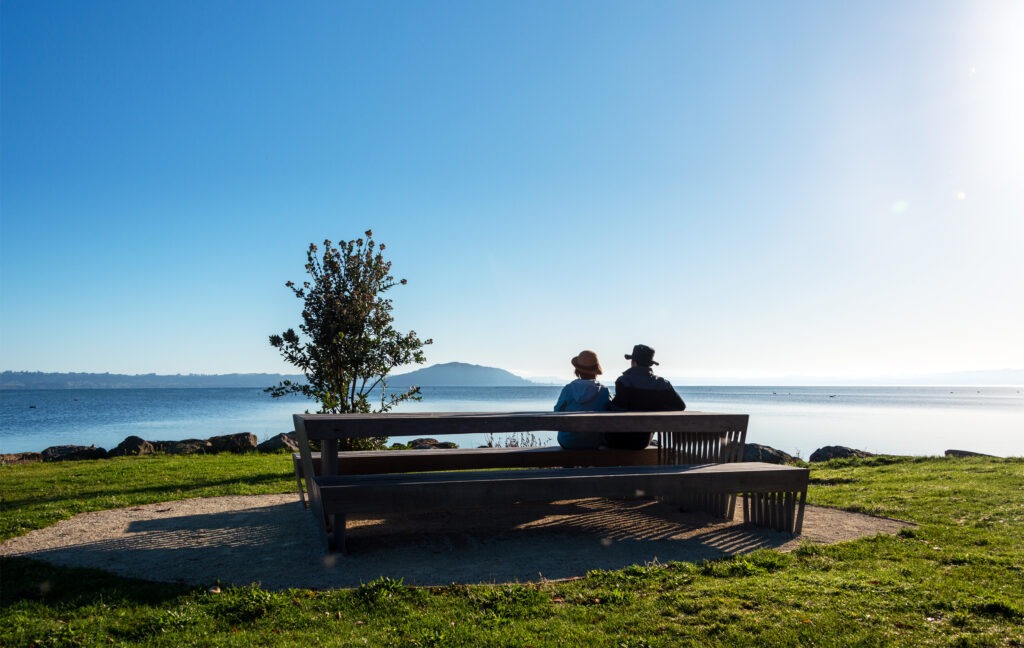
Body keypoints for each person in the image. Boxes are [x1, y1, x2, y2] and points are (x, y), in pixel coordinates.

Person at [606, 344, 685, 449]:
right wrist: (658, 409)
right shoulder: (662, 384)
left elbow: (617, 408)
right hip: (643, 441)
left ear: (633, 361)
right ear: (650, 364)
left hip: (618, 440)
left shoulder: (624, 381)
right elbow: (680, 406)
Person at [553, 350, 611, 449]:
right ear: (595, 371)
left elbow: (557, 411)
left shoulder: (568, 389)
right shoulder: (604, 391)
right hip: (594, 441)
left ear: (577, 370)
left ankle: (568, 465)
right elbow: (610, 414)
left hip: (568, 441)